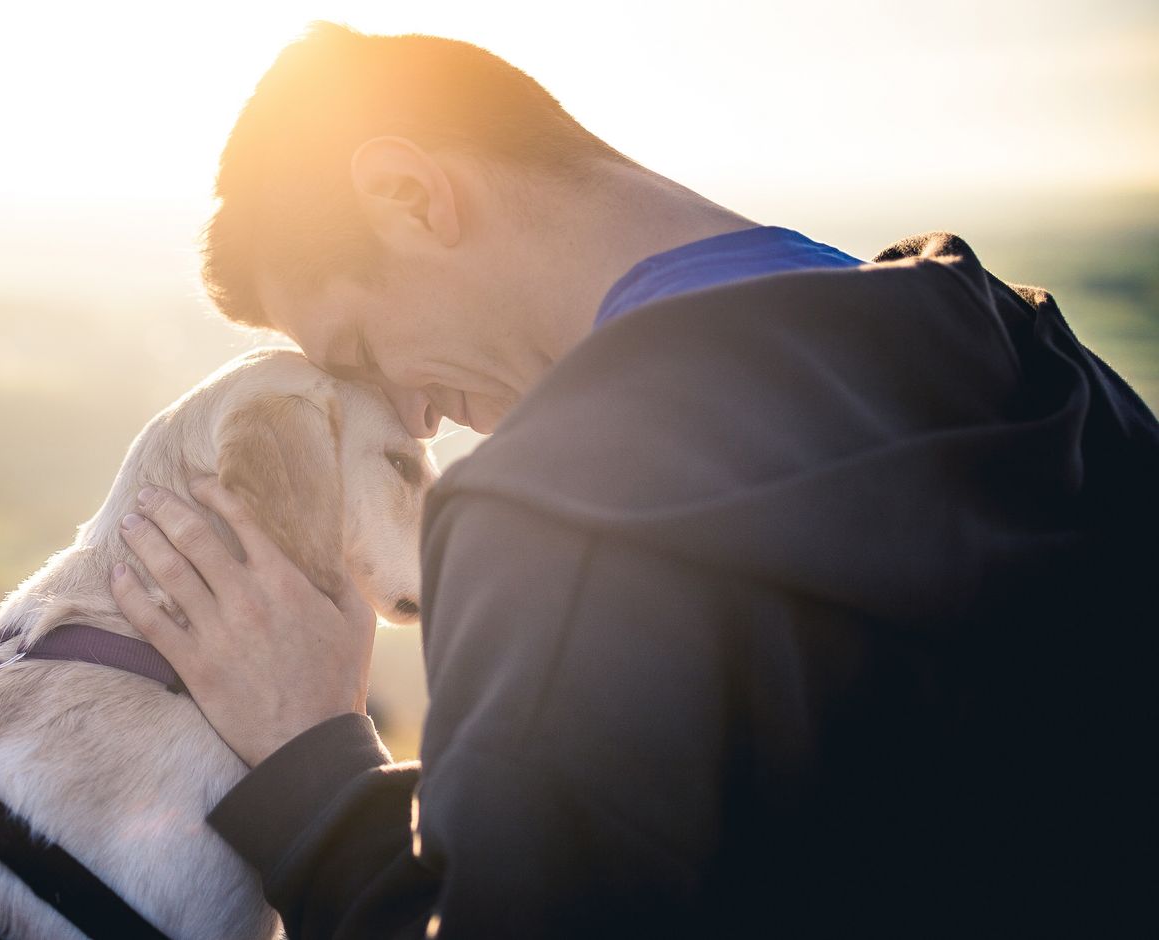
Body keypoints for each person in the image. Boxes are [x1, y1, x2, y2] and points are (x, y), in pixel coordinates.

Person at [105, 22, 1159, 938]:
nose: (414, 415)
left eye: (359, 347)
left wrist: (311, 770)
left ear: (407, 195)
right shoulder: (1037, 365)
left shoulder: (560, 524)